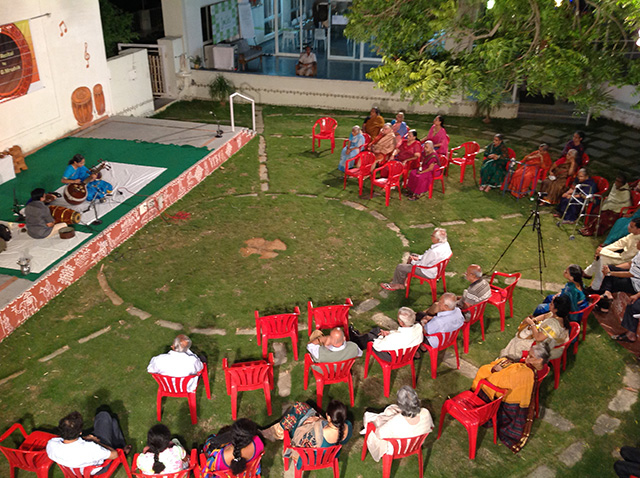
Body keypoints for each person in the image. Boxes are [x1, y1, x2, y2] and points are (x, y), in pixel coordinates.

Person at [471, 342, 551, 453]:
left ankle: (477, 405)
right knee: (489, 368)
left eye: (531, 357)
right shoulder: (541, 367)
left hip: (508, 390)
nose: (527, 358)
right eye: (528, 355)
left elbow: (508, 381)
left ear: (539, 360)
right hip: (514, 379)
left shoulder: (528, 373)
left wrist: (497, 371)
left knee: (485, 372)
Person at [261, 400, 352, 469]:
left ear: (328, 417)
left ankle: (276, 432)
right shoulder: (348, 425)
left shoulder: (318, 434)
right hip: (329, 454)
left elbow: (301, 448)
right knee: (300, 407)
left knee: (295, 414)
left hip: (311, 455)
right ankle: (276, 429)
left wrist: (314, 421)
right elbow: (339, 434)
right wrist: (318, 420)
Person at [361, 386, 434, 462]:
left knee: (371, 418)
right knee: (390, 411)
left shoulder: (397, 421)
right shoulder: (426, 412)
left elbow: (379, 434)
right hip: (415, 444)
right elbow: (430, 426)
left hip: (397, 448)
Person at [46, 410, 130, 474]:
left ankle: (119, 440)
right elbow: (114, 454)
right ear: (80, 432)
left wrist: (85, 438)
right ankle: (122, 451)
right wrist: (93, 441)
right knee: (104, 416)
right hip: (97, 469)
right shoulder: (90, 448)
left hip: (75, 471)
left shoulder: (51, 444)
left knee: (113, 422)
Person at [500, 295, 571, 361]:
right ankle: (506, 356)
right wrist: (534, 320)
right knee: (521, 335)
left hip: (549, 349)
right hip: (546, 340)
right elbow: (544, 316)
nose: (549, 304)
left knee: (519, 343)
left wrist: (532, 324)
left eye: (551, 304)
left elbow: (538, 338)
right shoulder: (557, 315)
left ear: (556, 309)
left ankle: (506, 359)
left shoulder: (553, 325)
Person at [381, 228, 451, 291]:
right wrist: (418, 258)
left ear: (438, 239)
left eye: (432, 236)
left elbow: (422, 264)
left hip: (428, 272)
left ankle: (398, 284)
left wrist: (413, 261)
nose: (431, 237)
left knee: (400, 267)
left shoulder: (434, 251)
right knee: (413, 255)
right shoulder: (445, 244)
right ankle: (403, 279)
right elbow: (426, 258)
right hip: (438, 270)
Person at [583, 218, 640, 291]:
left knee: (603, 259)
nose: (628, 227)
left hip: (627, 262)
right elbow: (619, 243)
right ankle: (589, 273)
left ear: (638, 229)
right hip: (624, 258)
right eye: (629, 225)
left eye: (631, 227)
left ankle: (595, 286)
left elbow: (625, 257)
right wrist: (603, 249)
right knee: (601, 255)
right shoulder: (633, 235)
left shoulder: (638, 240)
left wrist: (603, 252)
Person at [348, 307, 423, 361]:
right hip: (408, 353)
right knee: (376, 330)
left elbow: (378, 346)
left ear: (401, 322)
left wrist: (381, 336)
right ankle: (357, 338)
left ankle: (355, 341)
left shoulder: (394, 338)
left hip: (392, 357)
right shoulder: (419, 328)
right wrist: (390, 332)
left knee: (372, 336)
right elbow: (402, 333)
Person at [592, 241, 640, 312]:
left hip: (635, 284)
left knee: (613, 281)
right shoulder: (639, 253)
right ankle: (606, 294)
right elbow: (629, 264)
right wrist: (612, 269)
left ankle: (604, 305)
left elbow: (630, 274)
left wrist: (610, 273)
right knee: (610, 268)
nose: (637, 242)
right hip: (631, 277)